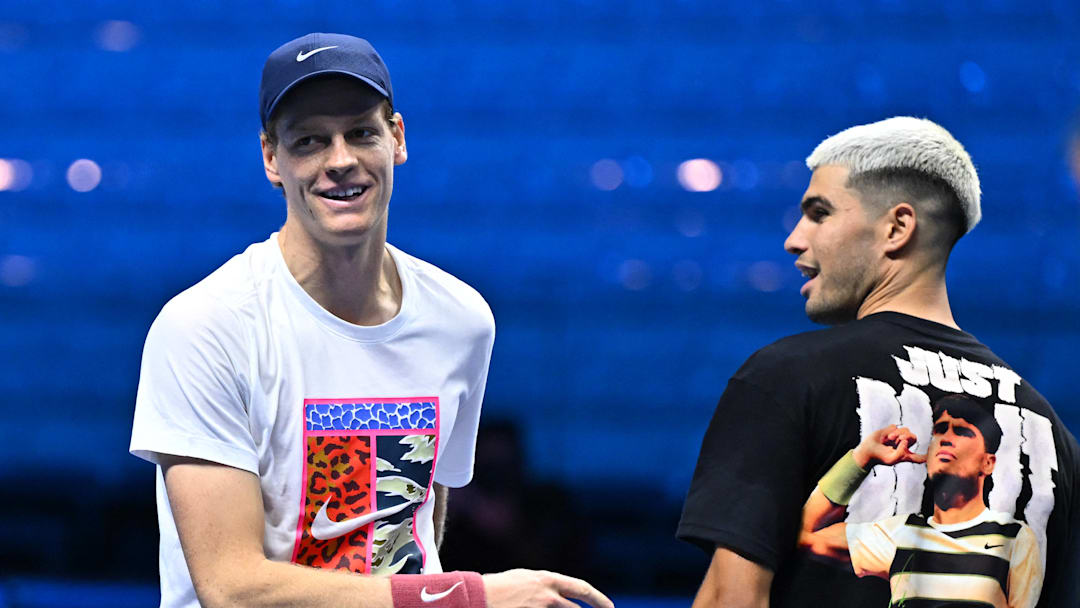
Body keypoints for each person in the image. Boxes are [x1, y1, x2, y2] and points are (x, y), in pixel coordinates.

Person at [130, 33, 613, 608]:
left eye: (361, 132)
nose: (340, 161)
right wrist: (468, 597)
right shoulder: (204, 328)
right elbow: (232, 589)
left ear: (397, 138)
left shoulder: (462, 321)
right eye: (309, 141)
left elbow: (419, 520)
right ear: (271, 159)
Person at [677, 116, 1080, 607]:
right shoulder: (1055, 438)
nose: (794, 239)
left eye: (819, 213)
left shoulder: (786, 377)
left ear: (896, 227)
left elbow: (731, 599)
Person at [799, 395, 1042, 607]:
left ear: (988, 463)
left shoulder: (1012, 536)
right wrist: (863, 457)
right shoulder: (902, 533)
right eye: (940, 430)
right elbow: (805, 535)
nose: (946, 438)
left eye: (962, 432)